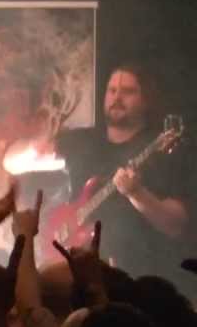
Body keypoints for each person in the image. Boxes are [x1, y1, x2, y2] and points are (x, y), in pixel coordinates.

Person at [54, 64, 189, 278]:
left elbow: (175, 225)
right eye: (112, 90)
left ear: (146, 100)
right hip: (76, 274)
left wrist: (137, 193)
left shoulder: (161, 150)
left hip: (137, 279)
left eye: (128, 91)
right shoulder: (81, 142)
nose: (117, 98)